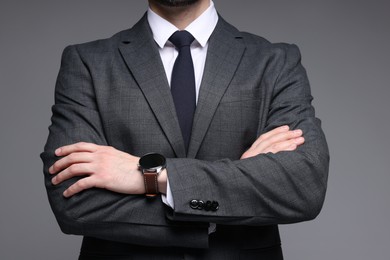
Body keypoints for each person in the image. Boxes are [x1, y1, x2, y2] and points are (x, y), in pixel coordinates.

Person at [41, 0, 329, 259]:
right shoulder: (88, 63)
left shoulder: (275, 61)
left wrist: (151, 178)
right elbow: (73, 201)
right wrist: (227, 202)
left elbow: (303, 186)